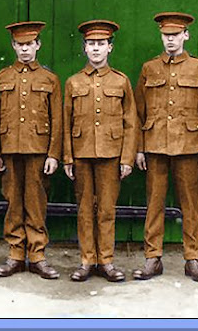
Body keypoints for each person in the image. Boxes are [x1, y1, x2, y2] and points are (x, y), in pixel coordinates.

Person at [132, 12, 198, 282]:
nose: (171, 40)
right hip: (155, 146)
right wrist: (140, 148)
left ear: (185, 36)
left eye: (176, 35)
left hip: (189, 147)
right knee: (154, 204)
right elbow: (138, 113)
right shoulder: (149, 68)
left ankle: (192, 259)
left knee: (190, 205)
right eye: (166, 35)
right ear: (161, 36)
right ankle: (152, 258)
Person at [62, 20, 136, 282]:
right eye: (91, 44)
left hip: (111, 155)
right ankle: (86, 260)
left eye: (101, 44)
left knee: (106, 210)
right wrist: (68, 157)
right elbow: (66, 121)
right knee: (84, 209)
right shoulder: (73, 82)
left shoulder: (121, 81)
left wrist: (127, 158)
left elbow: (130, 122)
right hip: (82, 154)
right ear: (84, 48)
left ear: (110, 48)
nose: (96, 49)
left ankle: (106, 261)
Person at [0, 21, 62, 279]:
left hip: (38, 151)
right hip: (9, 149)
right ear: (13, 46)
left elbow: (57, 120)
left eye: (30, 44)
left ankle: (38, 255)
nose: (25, 49)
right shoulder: (3, 77)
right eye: (20, 45)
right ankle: (16, 254)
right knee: (13, 201)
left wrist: (53, 154)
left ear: (38, 45)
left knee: (36, 201)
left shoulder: (49, 79)